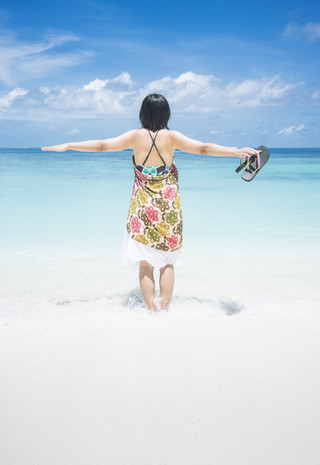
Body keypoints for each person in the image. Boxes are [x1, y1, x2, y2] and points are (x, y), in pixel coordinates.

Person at [42, 93, 258, 312]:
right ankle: (164, 311)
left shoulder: (135, 137)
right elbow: (202, 148)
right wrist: (233, 151)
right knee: (167, 263)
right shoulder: (172, 137)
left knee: (145, 264)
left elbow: (101, 145)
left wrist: (69, 144)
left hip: (142, 210)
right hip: (169, 210)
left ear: (142, 113)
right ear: (166, 113)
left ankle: (151, 313)